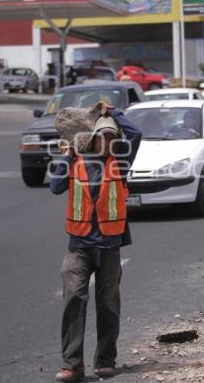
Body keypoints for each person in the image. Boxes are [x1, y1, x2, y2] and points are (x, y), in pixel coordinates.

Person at [51, 101, 142, 382]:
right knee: (74, 299)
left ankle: (105, 360)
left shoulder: (120, 163)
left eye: (112, 137)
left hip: (109, 248)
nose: (109, 141)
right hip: (78, 247)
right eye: (103, 136)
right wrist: (67, 155)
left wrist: (113, 113)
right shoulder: (77, 161)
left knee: (108, 304)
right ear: (92, 138)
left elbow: (135, 133)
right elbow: (55, 186)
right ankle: (72, 365)